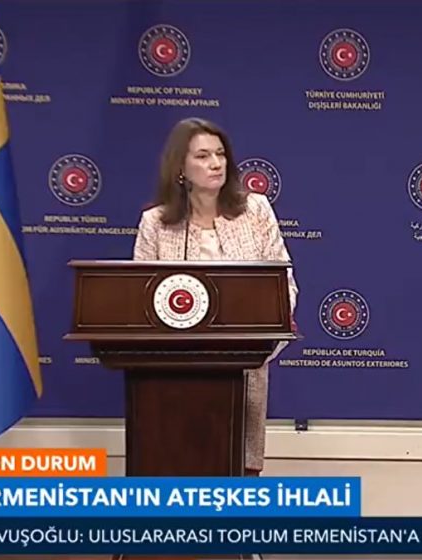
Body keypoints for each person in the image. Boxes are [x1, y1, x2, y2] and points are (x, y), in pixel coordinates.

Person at [132, 117, 298, 476]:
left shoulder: (255, 210)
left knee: (239, 470)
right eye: (203, 156)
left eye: (220, 154)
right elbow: (139, 299)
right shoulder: (155, 223)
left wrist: (266, 336)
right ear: (180, 167)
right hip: (174, 374)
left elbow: (284, 284)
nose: (216, 163)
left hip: (244, 365)